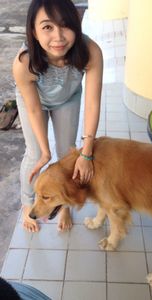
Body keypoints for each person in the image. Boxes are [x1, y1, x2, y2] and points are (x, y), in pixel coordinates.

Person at [13, 0, 103, 233]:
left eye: (65, 25)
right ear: (33, 30)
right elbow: (33, 110)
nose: (58, 37)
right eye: (47, 27)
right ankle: (27, 203)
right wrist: (44, 151)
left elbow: (92, 103)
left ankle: (63, 204)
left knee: (69, 153)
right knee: (34, 155)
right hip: (34, 102)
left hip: (68, 98)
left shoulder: (90, 51)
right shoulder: (24, 63)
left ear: (77, 24)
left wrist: (87, 151)